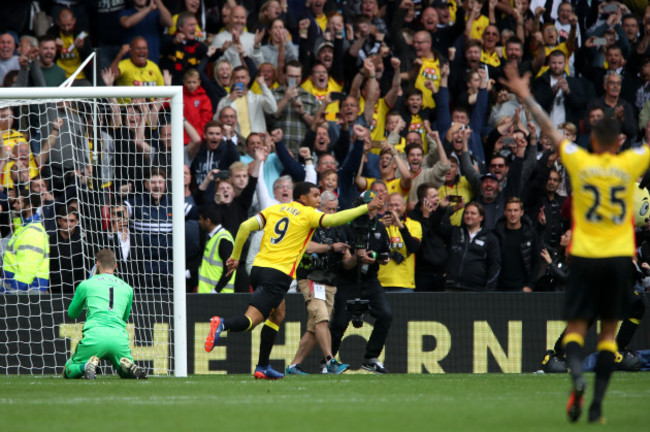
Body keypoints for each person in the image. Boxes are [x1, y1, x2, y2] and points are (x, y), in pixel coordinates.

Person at [501, 61, 650, 424]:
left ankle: (577, 376)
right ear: (617, 142)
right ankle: (597, 402)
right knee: (609, 332)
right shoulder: (630, 164)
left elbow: (551, 131)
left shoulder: (580, 161)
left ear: (591, 139)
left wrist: (526, 97)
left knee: (579, 325)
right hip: (617, 257)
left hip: (584, 257)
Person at [204, 181, 384, 379]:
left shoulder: (275, 209)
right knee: (251, 320)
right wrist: (366, 207)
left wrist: (236, 256)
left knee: (278, 314)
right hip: (278, 274)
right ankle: (222, 324)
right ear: (303, 197)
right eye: (315, 195)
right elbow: (335, 219)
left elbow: (245, 226)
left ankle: (262, 366)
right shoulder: (308, 214)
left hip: (258, 268)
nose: (318, 199)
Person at [286, 191, 351, 375]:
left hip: (330, 282)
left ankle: (293, 366)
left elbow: (346, 261)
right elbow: (304, 246)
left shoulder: (339, 227)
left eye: (334, 209)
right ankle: (330, 361)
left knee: (315, 328)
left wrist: (356, 256)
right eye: (328, 209)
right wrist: (331, 247)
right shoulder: (309, 222)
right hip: (310, 278)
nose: (331, 213)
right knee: (321, 318)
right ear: (320, 207)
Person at [329, 191, 393, 373]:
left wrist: (375, 258)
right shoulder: (346, 226)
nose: (372, 208)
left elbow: (386, 257)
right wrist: (358, 257)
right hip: (347, 281)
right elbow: (346, 264)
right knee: (340, 323)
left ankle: (371, 358)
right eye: (369, 204)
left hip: (370, 280)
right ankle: (329, 361)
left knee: (386, 315)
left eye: (374, 204)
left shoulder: (380, 227)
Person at [63, 249, 147, 380]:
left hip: (94, 336)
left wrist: (87, 300)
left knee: (68, 370)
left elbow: (72, 313)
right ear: (116, 265)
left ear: (97, 264)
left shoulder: (86, 284)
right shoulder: (127, 288)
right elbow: (124, 318)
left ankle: (85, 366)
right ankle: (129, 367)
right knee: (125, 374)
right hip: (119, 338)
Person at [1, 188, 49, 293]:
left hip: (23, 294)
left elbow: (27, 270)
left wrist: (12, 294)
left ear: (29, 206)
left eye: (18, 203)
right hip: (18, 290)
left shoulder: (32, 232)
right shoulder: (23, 229)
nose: (14, 205)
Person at [197, 204, 235, 294]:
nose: (199, 222)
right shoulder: (213, 237)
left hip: (220, 298)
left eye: (200, 219)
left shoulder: (223, 240)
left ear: (208, 221)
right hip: (208, 295)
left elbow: (230, 269)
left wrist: (216, 291)